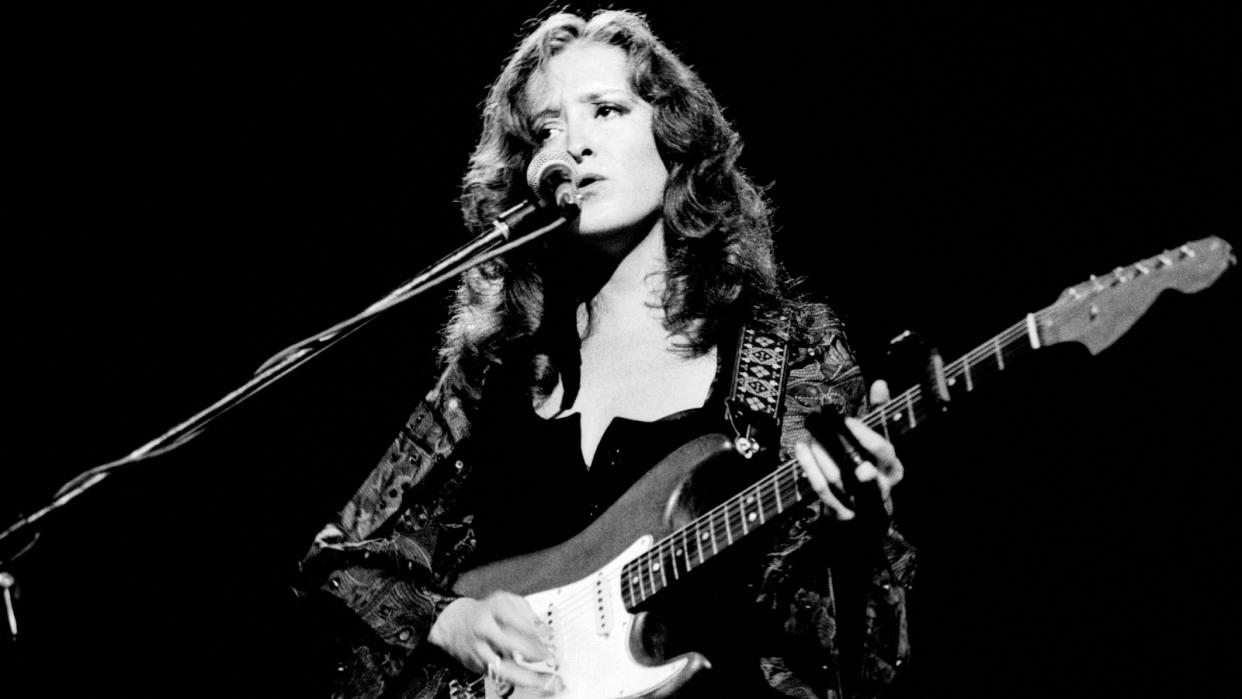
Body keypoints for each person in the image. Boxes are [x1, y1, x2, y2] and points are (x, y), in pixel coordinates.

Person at [298, 9, 915, 698]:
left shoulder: (784, 351)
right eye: (546, 131)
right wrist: (454, 621)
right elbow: (337, 563)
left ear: (675, 139)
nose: (573, 146)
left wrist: (857, 532)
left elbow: (843, 660)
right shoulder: (495, 373)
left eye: (607, 110)